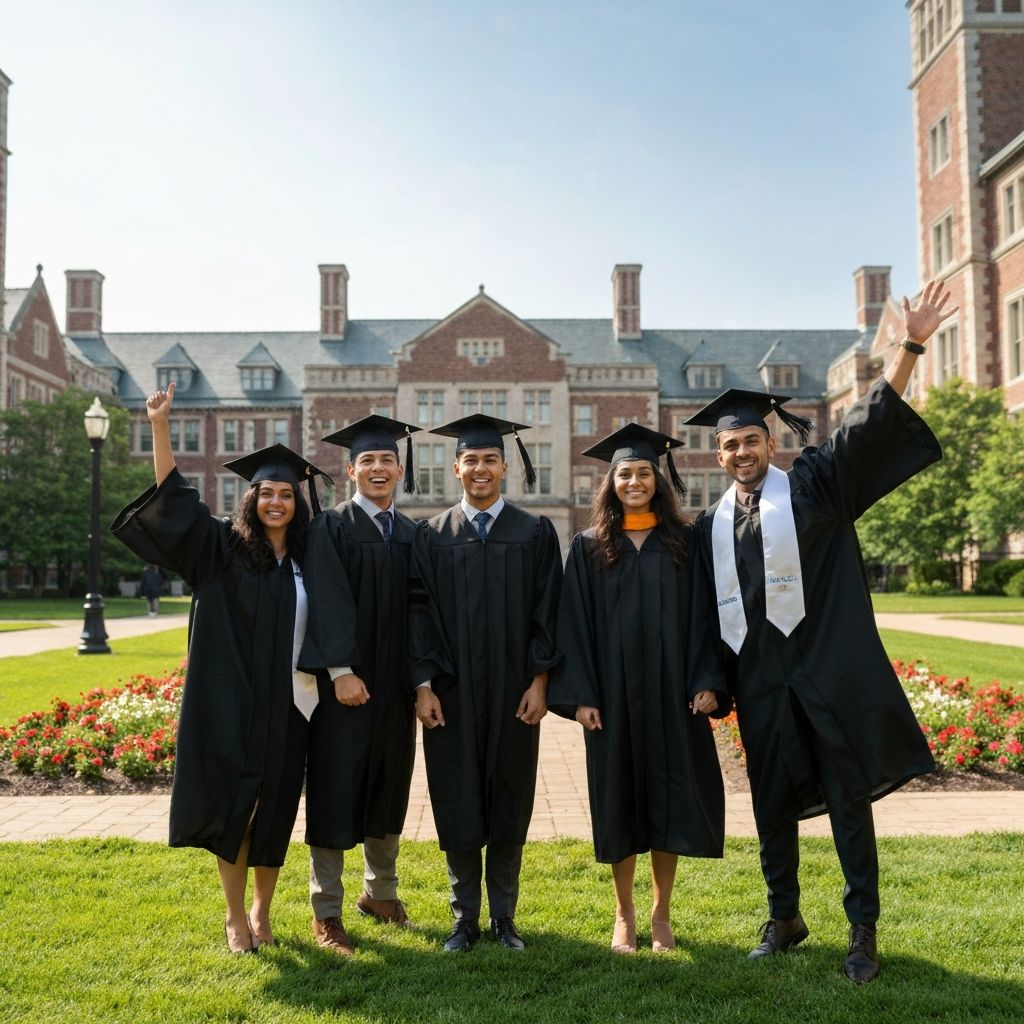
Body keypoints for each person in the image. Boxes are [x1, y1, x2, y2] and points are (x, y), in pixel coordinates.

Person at [687, 280, 956, 983]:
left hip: (827, 672)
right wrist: (714, 682)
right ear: (717, 456)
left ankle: (861, 927)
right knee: (770, 802)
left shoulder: (814, 485)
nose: (741, 453)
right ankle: (785, 915)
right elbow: (712, 617)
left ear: (770, 441)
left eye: (750, 440)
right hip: (760, 682)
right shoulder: (714, 525)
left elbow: (868, 426)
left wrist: (910, 347)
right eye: (729, 446)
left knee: (846, 801)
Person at [111, 382, 326, 954]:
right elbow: (175, 498)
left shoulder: (310, 561)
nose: (275, 502)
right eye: (266, 493)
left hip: (290, 705)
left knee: (276, 810)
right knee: (239, 808)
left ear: (297, 503)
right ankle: (234, 917)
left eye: (286, 494)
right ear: (251, 499)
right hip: (231, 703)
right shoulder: (222, 548)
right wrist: (160, 427)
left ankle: (262, 912)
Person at [548, 424, 728, 954]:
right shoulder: (588, 548)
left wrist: (707, 680)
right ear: (611, 481)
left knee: (669, 802)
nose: (634, 481)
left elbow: (706, 616)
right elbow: (572, 625)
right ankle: (623, 913)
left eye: (644, 473)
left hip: (675, 695)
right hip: (612, 698)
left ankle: (661, 913)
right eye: (625, 473)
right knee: (619, 801)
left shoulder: (684, 542)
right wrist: (580, 696)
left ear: (658, 480)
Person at [410, 414, 562, 952]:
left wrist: (541, 680)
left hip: (514, 692)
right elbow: (419, 614)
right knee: (455, 796)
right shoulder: (431, 536)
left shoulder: (535, 532)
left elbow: (549, 611)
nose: (480, 468)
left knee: (509, 794)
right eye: (470, 460)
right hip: (450, 693)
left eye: (489, 459)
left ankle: (504, 919)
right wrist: (423, 685)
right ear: (456, 467)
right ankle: (463, 919)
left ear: (505, 467)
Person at [298, 415, 420, 956]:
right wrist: (341, 671)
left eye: (386, 460)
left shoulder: (414, 534)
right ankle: (326, 910)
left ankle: (380, 893)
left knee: (388, 785)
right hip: (344, 689)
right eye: (367, 461)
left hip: (395, 690)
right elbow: (326, 599)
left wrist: (422, 682)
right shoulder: (333, 526)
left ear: (399, 469)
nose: (378, 468)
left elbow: (423, 614)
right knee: (335, 788)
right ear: (351, 470)